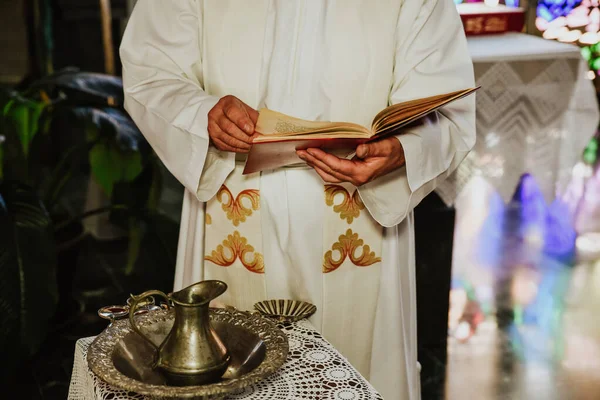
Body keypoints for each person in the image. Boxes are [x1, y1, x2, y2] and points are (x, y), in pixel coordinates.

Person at [120, 1, 475, 398]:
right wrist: (202, 114)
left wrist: (403, 149)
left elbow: (445, 106)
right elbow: (150, 69)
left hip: (362, 210)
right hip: (232, 192)